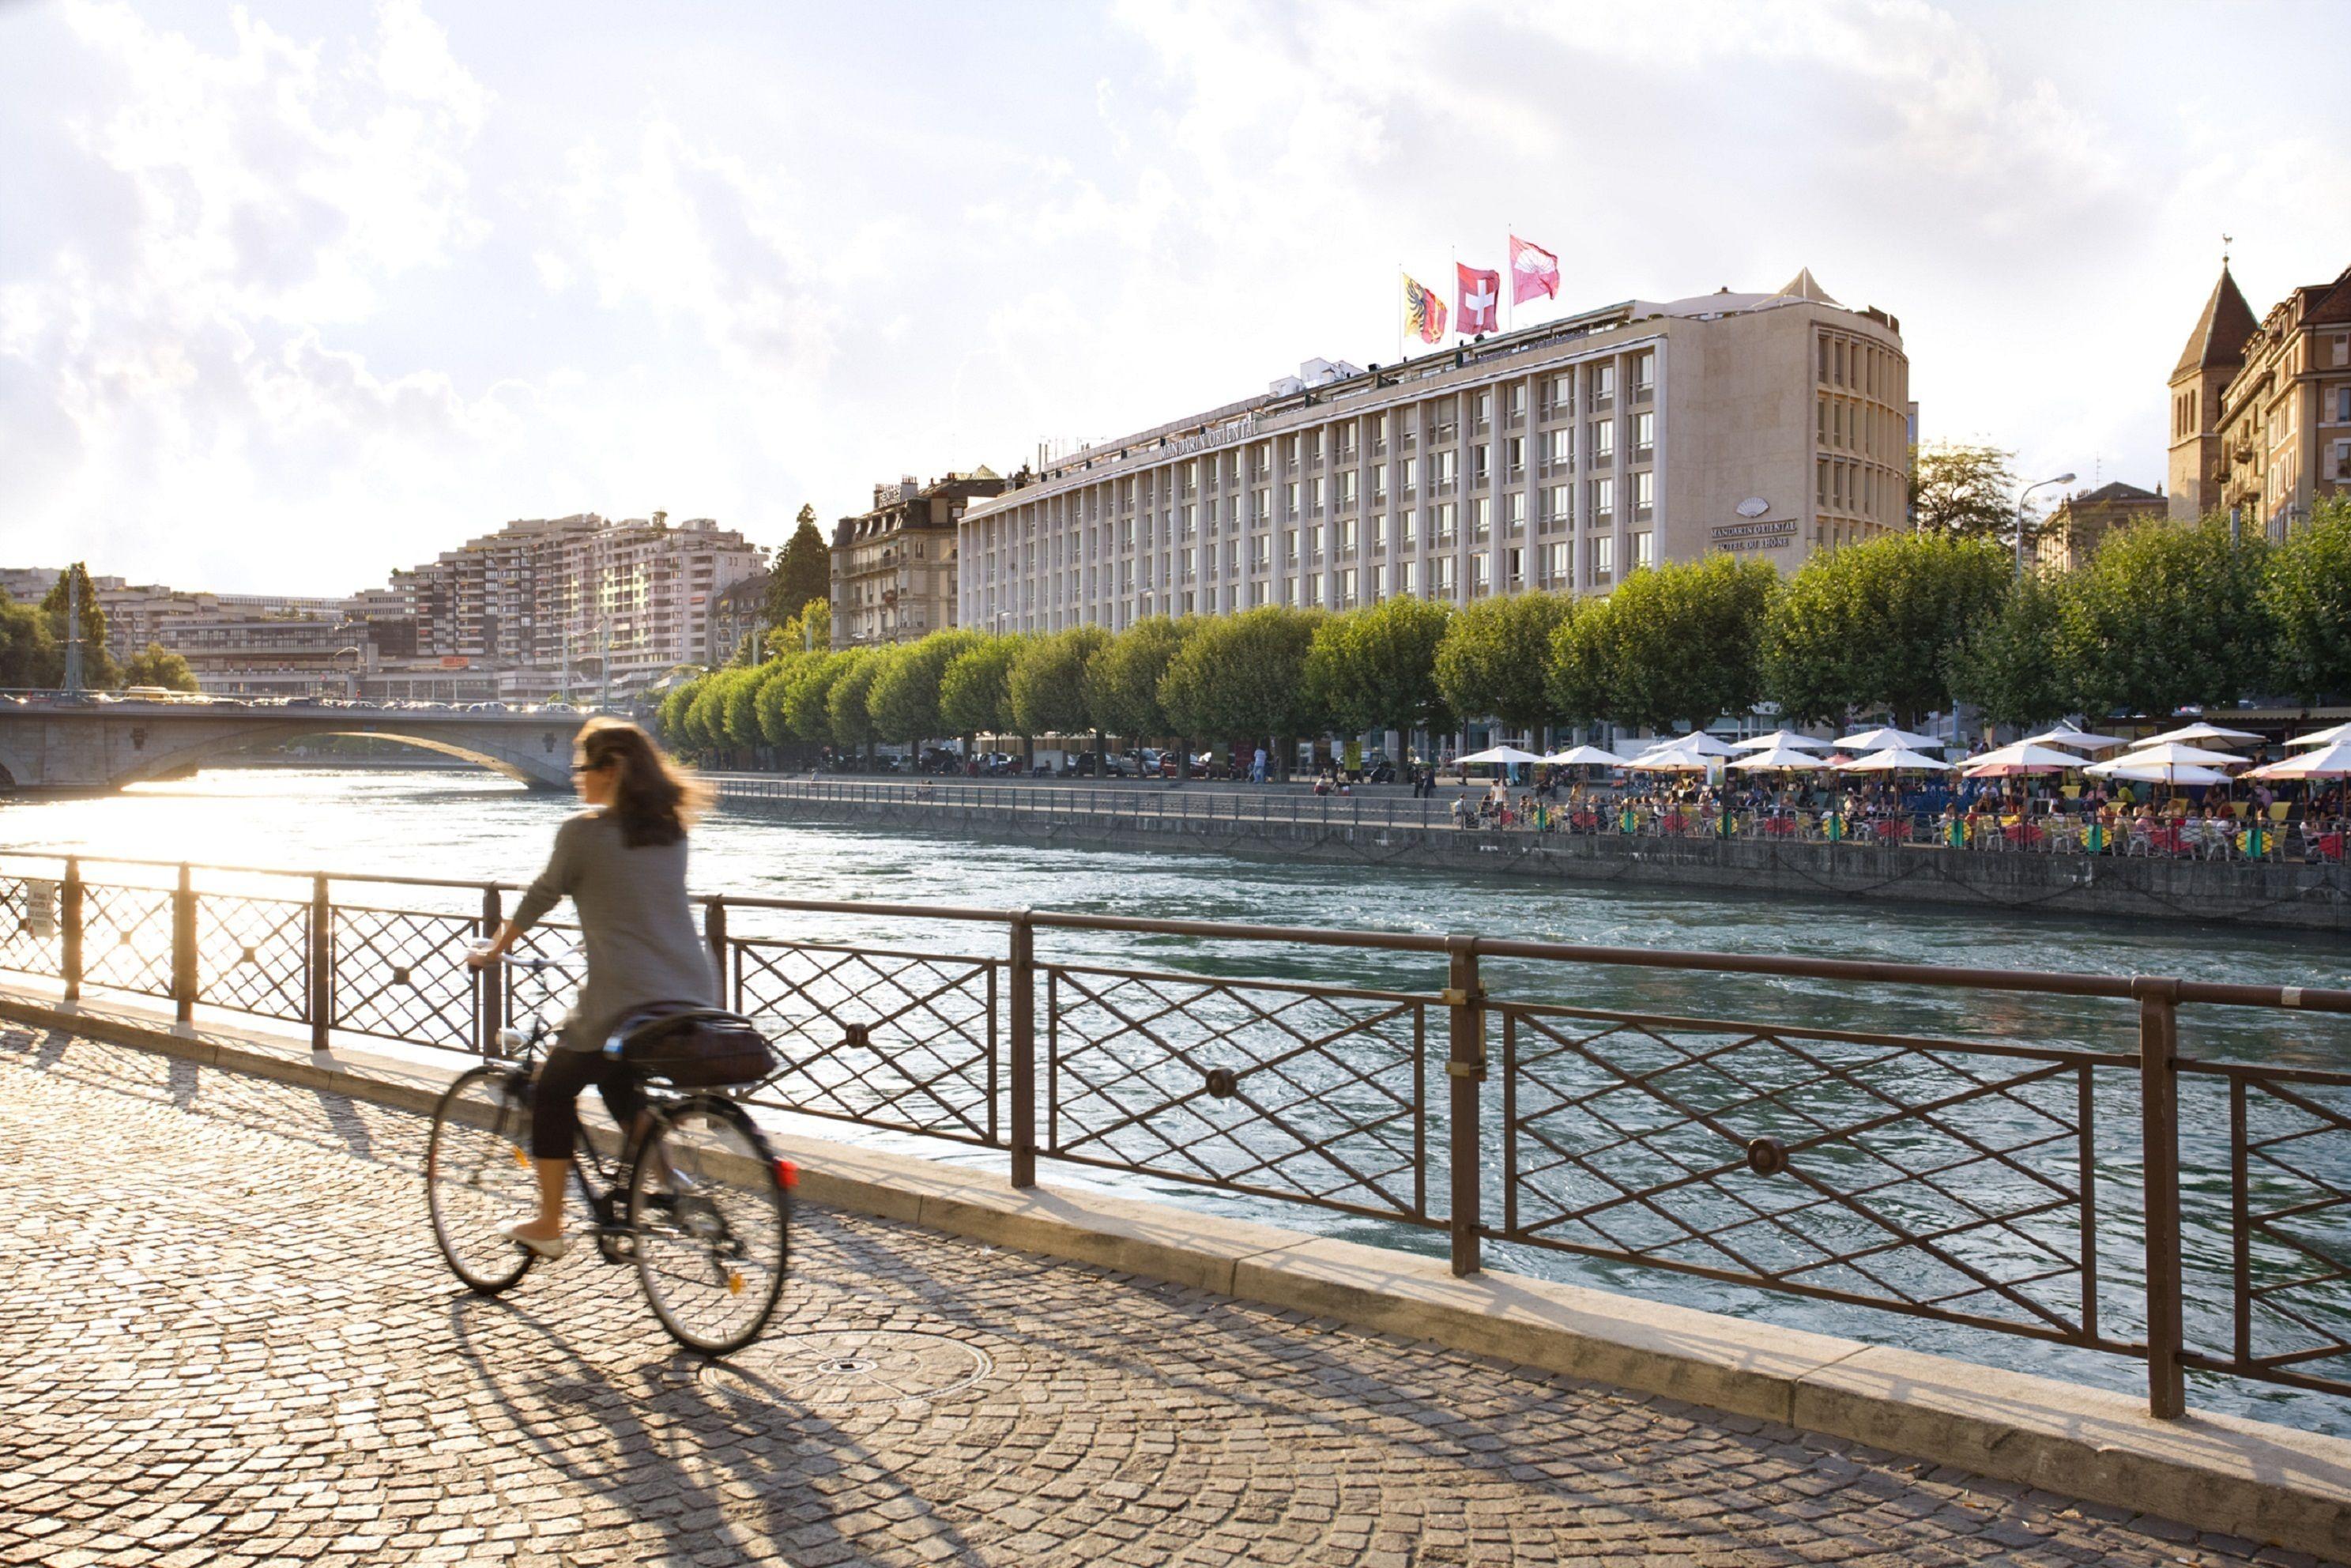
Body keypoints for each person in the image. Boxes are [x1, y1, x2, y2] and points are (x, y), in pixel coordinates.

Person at [465, 718, 717, 1259]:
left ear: (609, 772)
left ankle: (550, 1223)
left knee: (554, 1091)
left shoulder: (582, 832)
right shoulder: (670, 828)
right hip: (689, 988)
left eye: (583, 767)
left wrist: (496, 948)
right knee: (616, 1082)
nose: (576, 777)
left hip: (624, 997)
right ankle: (673, 1182)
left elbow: (542, 893)